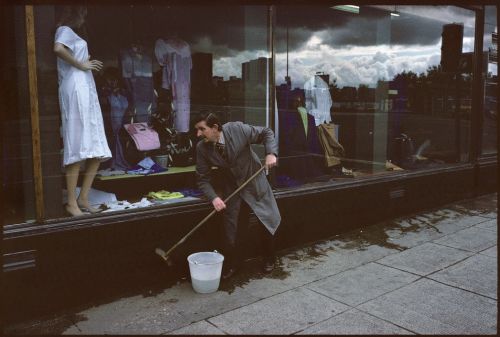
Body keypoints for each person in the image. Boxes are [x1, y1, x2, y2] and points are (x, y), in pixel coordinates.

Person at [194, 112, 281, 279]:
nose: (198, 134)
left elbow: (266, 132)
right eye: (197, 130)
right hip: (232, 188)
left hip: (254, 183)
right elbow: (202, 179)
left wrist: (271, 153)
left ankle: (269, 258)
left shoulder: (237, 129)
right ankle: (235, 264)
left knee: (265, 220)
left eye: (201, 129)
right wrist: (214, 197)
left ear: (214, 128)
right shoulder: (202, 148)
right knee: (234, 227)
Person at [54, 6, 111, 216]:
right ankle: (72, 202)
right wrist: (80, 64)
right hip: (76, 87)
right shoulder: (64, 30)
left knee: (95, 146)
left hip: (86, 88)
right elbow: (58, 48)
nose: (84, 19)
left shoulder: (73, 33)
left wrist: (83, 66)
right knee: (78, 145)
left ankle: (83, 197)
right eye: (83, 15)